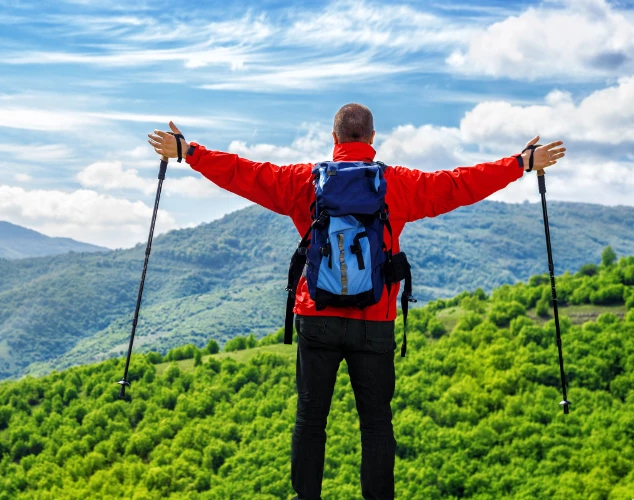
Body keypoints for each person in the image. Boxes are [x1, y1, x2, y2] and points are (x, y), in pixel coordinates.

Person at [147, 103, 566, 500]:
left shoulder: (303, 180)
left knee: (310, 421)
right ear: (373, 138)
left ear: (333, 137)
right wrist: (520, 163)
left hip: (317, 316)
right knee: (376, 424)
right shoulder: (396, 183)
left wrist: (190, 152)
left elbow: (245, 173)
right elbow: (459, 184)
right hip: (375, 319)